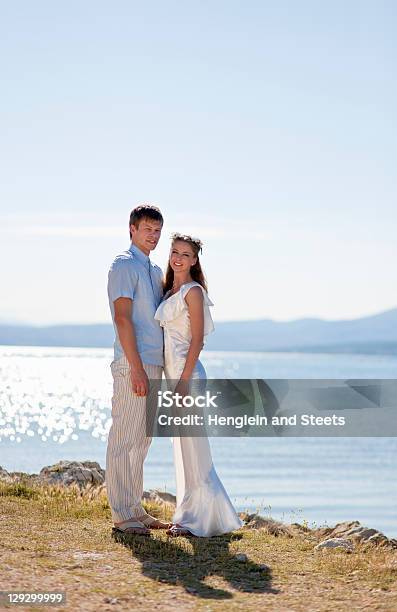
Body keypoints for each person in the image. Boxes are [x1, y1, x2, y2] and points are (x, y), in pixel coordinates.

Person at [154, 232, 243, 537]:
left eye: (185, 254)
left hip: (187, 376)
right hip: (174, 376)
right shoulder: (169, 291)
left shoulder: (193, 292)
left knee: (195, 448)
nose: (178, 258)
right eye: (174, 252)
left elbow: (198, 340)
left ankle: (200, 521)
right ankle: (192, 515)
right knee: (184, 448)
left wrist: (182, 382)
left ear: (194, 260)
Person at [106, 204, 171, 536]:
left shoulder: (155, 270)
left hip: (154, 362)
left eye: (158, 231)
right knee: (124, 437)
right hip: (134, 363)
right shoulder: (124, 265)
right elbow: (122, 318)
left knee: (142, 441)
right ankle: (120, 513)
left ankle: (135, 508)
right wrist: (135, 368)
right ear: (132, 229)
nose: (154, 236)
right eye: (148, 229)